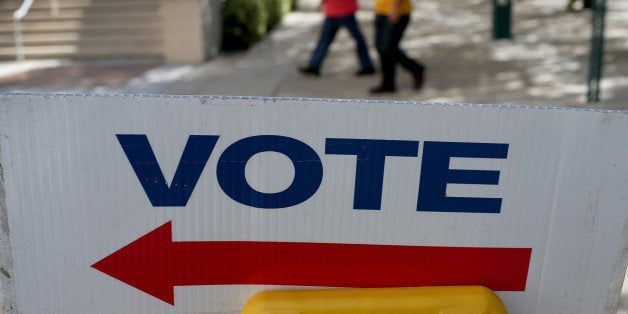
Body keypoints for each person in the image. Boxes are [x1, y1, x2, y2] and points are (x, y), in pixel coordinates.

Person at [299, 0, 375, 76]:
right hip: (336, 12)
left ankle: (367, 66)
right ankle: (314, 66)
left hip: (343, 11)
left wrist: (321, 4)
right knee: (324, 41)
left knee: (325, 41)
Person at [370, 0, 425, 93]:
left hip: (397, 12)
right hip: (381, 11)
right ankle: (388, 84)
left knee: (388, 48)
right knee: (381, 48)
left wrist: (394, 8)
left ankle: (416, 69)